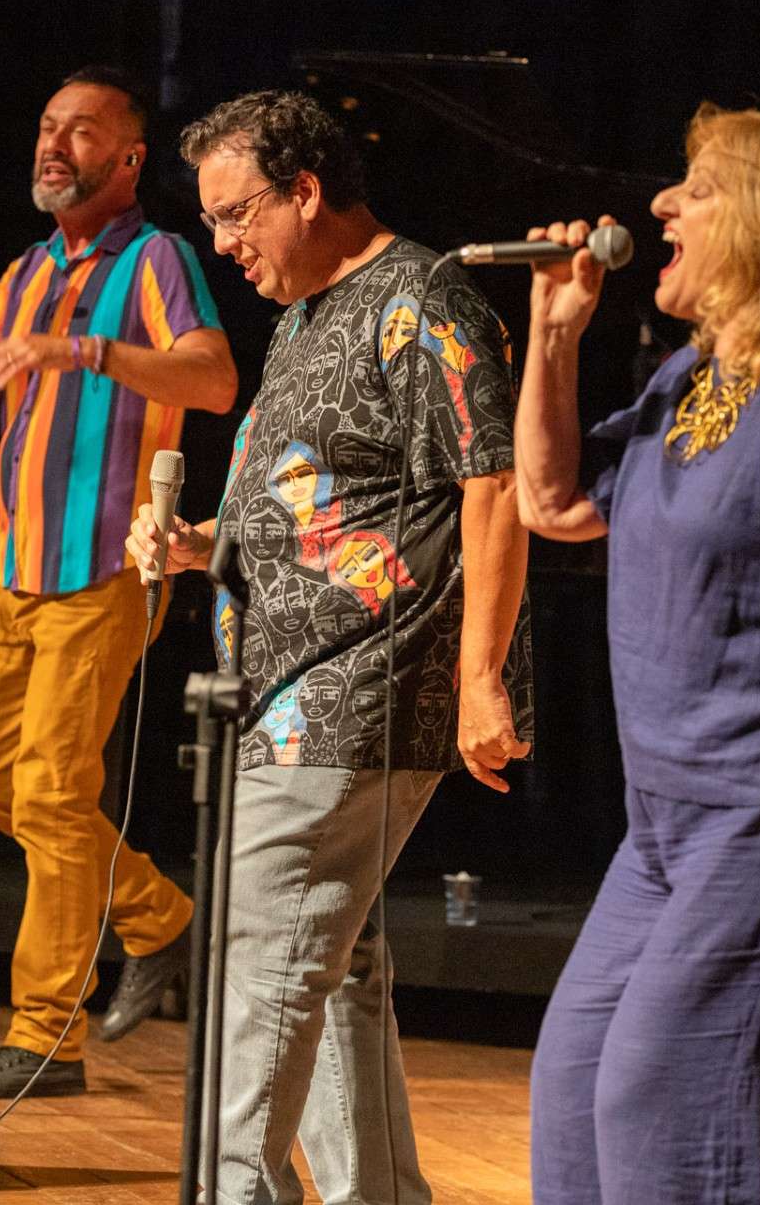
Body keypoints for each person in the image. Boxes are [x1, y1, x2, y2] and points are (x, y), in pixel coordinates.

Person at [130, 88, 533, 1205]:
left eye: (234, 215)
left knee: (261, 960)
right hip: (280, 688)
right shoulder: (303, 318)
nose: (221, 244)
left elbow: (493, 488)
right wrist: (201, 539)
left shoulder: (426, 300)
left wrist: (481, 678)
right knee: (335, 964)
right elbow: (316, 506)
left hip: (360, 688)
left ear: (305, 190)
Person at [514, 101, 760, 1204]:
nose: (660, 206)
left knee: (666, 1109)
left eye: (695, 187)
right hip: (664, 828)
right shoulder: (690, 382)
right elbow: (550, 502)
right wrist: (553, 336)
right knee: (577, 1083)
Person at [0, 66, 236, 1098]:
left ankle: (45, 1033)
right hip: (18, 567)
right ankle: (158, 916)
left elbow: (214, 377)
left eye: (83, 131)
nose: (55, 144)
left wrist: (86, 349)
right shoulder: (22, 270)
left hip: (107, 563)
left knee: (56, 790)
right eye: (48, 126)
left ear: (130, 158)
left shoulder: (155, 258)